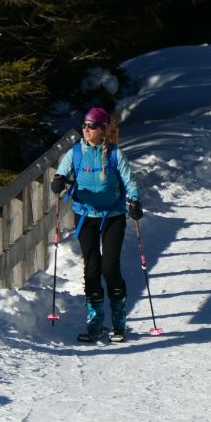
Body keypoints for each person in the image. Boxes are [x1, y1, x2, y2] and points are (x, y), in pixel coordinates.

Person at [51, 106, 143, 342]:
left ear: (102, 129)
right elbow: (61, 173)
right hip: (86, 216)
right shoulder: (76, 153)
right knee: (91, 268)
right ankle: (95, 321)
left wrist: (134, 201)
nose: (86, 129)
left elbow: (129, 180)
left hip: (112, 215)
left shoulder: (114, 154)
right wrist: (59, 181)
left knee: (109, 266)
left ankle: (119, 320)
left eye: (91, 126)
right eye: (84, 125)